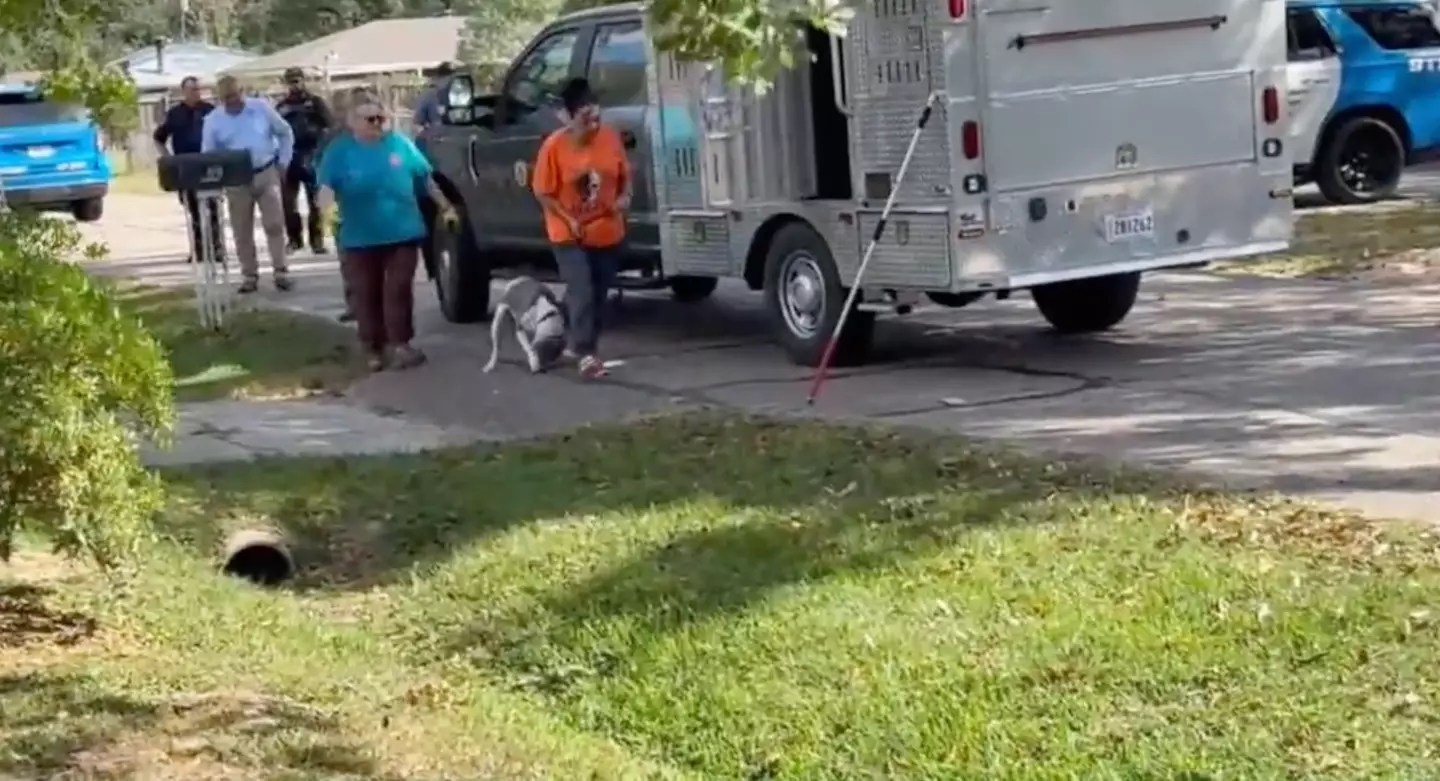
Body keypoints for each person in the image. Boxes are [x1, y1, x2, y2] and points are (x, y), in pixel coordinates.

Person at [316, 92, 460, 371]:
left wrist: (446, 206)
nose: (377, 123)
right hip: (359, 236)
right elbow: (325, 187)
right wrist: (327, 211)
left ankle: (401, 344)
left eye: (381, 117)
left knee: (398, 289)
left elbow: (426, 179)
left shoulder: (400, 145)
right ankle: (373, 348)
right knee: (366, 292)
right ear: (353, 121)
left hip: (403, 232)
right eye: (370, 118)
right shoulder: (340, 151)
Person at [530, 77, 631, 380]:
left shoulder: (610, 139)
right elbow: (542, 191)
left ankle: (556, 334)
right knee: (583, 289)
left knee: (598, 294)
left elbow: (625, 179)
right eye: (585, 119)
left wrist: (625, 199)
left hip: (606, 230)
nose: (593, 125)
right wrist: (567, 218)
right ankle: (586, 353)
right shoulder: (554, 146)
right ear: (569, 117)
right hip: (568, 232)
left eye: (596, 117)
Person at [202, 74, 296, 293]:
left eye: (235, 95)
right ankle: (249, 275)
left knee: (274, 224)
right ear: (220, 99)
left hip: (265, 170)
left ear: (242, 91)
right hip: (236, 178)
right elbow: (208, 154)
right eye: (227, 98)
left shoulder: (261, 108)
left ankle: (281, 271)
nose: (233, 101)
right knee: (241, 229)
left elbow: (284, 132)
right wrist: (218, 179)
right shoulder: (213, 121)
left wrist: (284, 161)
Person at [153, 76, 223, 266]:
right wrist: (168, 158)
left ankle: (217, 248)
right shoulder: (175, 114)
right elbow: (159, 137)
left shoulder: (210, 111)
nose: (196, 92)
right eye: (192, 89)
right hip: (185, 167)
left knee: (213, 208)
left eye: (198, 89)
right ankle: (199, 250)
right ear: (184, 91)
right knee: (194, 210)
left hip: (207, 165)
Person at [275, 66, 333, 255]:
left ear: (303, 81)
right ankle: (294, 240)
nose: (295, 84)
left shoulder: (315, 102)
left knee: (315, 201)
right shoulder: (281, 107)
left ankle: (316, 240)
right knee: (288, 203)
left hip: (312, 153)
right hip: (289, 155)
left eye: (298, 80)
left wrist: (322, 149)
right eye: (291, 81)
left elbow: (330, 126)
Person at [410, 61, 455, 137]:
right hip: (435, 140)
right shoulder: (429, 95)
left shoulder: (457, 95)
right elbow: (417, 123)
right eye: (447, 76)